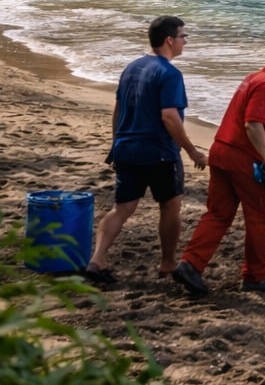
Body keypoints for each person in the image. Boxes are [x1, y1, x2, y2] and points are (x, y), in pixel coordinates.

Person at [173, 36, 265, 296]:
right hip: (242, 158)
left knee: (218, 214)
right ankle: (255, 275)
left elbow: (256, 125)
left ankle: (191, 263)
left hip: (222, 150)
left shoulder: (255, 78)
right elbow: (253, 124)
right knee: (263, 216)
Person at [83, 16, 207, 286]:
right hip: (159, 152)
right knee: (171, 205)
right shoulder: (169, 73)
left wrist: (116, 143)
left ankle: (97, 259)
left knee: (123, 207)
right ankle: (167, 263)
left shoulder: (132, 67)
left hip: (127, 148)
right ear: (169, 40)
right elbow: (170, 117)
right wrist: (192, 151)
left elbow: (118, 109)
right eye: (184, 36)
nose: (186, 41)